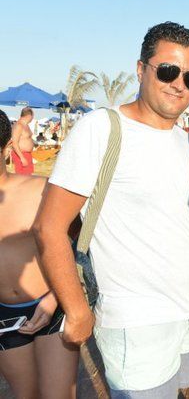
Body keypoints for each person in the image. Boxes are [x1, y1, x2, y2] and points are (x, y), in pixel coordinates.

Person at [33, 21, 189, 397]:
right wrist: (75, 308)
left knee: (185, 387)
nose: (179, 84)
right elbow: (49, 227)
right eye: (168, 71)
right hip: (135, 322)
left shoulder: (183, 141)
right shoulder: (102, 129)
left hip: (184, 309)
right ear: (141, 69)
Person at [0, 109, 79, 398]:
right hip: (5, 317)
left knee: (58, 394)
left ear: (7, 149)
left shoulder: (41, 191)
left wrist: (57, 295)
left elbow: (78, 242)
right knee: (26, 394)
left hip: (51, 303)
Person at [10, 107, 35, 175]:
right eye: (32, 116)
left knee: (28, 177)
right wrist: (22, 158)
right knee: (22, 177)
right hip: (20, 154)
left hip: (27, 154)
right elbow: (14, 143)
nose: (32, 118)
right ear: (29, 116)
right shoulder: (19, 125)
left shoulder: (25, 125)